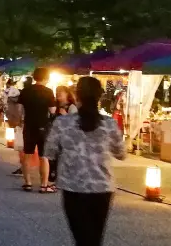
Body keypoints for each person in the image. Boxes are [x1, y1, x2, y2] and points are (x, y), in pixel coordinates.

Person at [45, 77, 126, 246]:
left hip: (72, 185)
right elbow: (121, 154)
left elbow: (49, 152)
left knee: (81, 236)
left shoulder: (63, 123)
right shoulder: (109, 124)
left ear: (77, 95)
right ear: (99, 96)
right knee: (95, 237)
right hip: (102, 186)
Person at [18, 67, 56, 193]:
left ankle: (28, 183)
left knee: (27, 155)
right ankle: (44, 185)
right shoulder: (48, 92)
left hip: (29, 125)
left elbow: (19, 109)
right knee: (43, 156)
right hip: (43, 126)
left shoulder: (25, 91)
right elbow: (52, 111)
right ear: (46, 78)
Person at [4, 79, 25, 176]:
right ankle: (24, 167)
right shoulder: (19, 98)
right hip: (23, 124)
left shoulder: (17, 100)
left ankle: (24, 168)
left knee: (22, 148)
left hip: (22, 125)